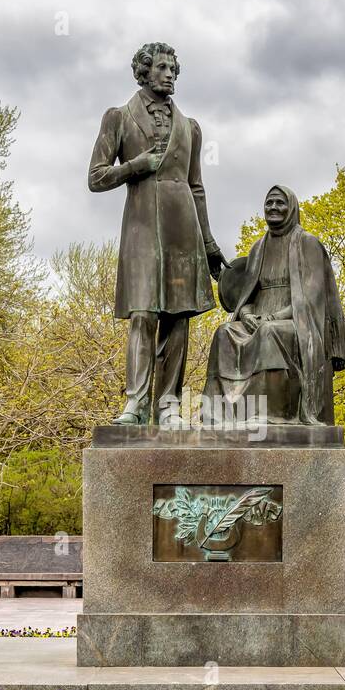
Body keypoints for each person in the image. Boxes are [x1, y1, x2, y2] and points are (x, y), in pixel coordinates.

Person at [88, 42, 226, 425]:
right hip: (142, 227)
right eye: (163, 68)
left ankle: (169, 405)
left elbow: (196, 186)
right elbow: (96, 178)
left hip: (184, 232)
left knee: (178, 317)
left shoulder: (190, 127)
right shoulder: (118, 118)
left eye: (174, 70)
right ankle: (136, 402)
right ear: (144, 72)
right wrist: (135, 165)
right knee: (143, 314)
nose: (170, 75)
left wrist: (209, 242)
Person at [203, 184, 345, 426]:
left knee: (268, 333)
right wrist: (247, 314)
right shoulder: (258, 247)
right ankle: (219, 416)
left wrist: (274, 317)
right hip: (258, 320)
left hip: (298, 323)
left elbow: (310, 298)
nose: (273, 207)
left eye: (280, 203)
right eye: (269, 203)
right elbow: (248, 295)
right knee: (224, 333)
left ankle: (269, 413)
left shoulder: (307, 244)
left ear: (291, 207)